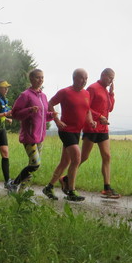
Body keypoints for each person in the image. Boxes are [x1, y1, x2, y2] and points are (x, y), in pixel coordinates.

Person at [60, 68, 120, 199]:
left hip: (103, 128)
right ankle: (66, 179)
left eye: (113, 79)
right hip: (91, 128)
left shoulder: (106, 91)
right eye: (109, 77)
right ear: (103, 75)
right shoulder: (93, 88)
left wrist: (111, 94)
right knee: (83, 157)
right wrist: (99, 117)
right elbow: (86, 108)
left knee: (107, 156)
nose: (111, 81)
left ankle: (107, 188)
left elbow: (110, 108)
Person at [43, 68, 95, 202]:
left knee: (65, 162)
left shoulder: (86, 94)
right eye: (81, 78)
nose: (84, 81)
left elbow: (87, 110)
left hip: (77, 131)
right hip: (66, 130)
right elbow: (50, 104)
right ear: (74, 78)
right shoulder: (65, 92)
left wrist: (90, 121)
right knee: (76, 158)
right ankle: (71, 191)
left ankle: (49, 187)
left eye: (86, 78)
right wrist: (57, 120)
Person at [9, 69, 54, 192]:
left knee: (32, 165)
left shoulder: (43, 96)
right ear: (31, 79)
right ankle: (14, 183)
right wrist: (29, 110)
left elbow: (42, 117)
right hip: (29, 136)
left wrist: (51, 115)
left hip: (40, 137)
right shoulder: (25, 95)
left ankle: (22, 192)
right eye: (38, 77)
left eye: (42, 77)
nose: (40, 80)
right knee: (35, 164)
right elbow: (15, 113)